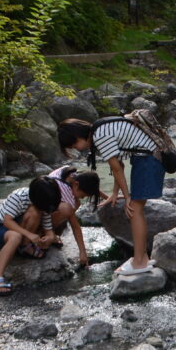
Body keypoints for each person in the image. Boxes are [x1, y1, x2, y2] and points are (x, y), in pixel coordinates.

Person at [57, 117, 162, 275]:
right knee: (135, 207)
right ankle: (142, 258)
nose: (77, 149)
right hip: (148, 157)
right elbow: (118, 165)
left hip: (148, 159)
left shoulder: (99, 136)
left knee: (134, 208)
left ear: (78, 137)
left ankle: (140, 261)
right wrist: (115, 193)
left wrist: (127, 197)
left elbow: (117, 169)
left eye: (74, 145)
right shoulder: (101, 129)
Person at [0, 176, 62, 296]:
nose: (47, 211)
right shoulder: (18, 196)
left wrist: (50, 238)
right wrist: (29, 235)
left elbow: (48, 230)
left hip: (19, 230)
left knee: (35, 214)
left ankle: (24, 247)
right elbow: (7, 221)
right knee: (16, 236)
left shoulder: (43, 205)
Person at [48, 166, 105, 267]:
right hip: (42, 216)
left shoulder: (70, 173)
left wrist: (108, 198)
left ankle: (52, 232)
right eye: (83, 195)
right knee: (69, 207)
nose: (82, 198)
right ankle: (48, 233)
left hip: (44, 206)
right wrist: (82, 252)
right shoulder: (66, 191)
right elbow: (75, 226)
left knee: (75, 203)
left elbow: (91, 185)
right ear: (76, 184)